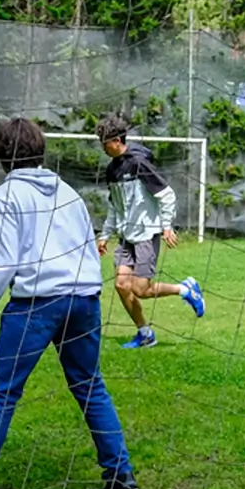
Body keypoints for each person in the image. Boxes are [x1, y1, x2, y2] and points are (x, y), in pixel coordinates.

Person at [0, 118, 140, 489]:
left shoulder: (4, 198)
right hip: (84, 300)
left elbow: (1, 268)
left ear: (1, 155)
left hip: (36, 305)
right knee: (90, 386)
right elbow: (87, 250)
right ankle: (122, 479)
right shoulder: (69, 193)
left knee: (3, 391)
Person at [94, 114, 204, 349]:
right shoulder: (111, 171)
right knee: (122, 285)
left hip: (146, 233)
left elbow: (166, 195)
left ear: (115, 140)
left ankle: (185, 290)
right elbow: (114, 205)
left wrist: (166, 225)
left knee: (141, 289)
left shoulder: (139, 164)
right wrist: (105, 235)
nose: (102, 147)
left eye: (104, 142)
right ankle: (145, 334)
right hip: (126, 237)